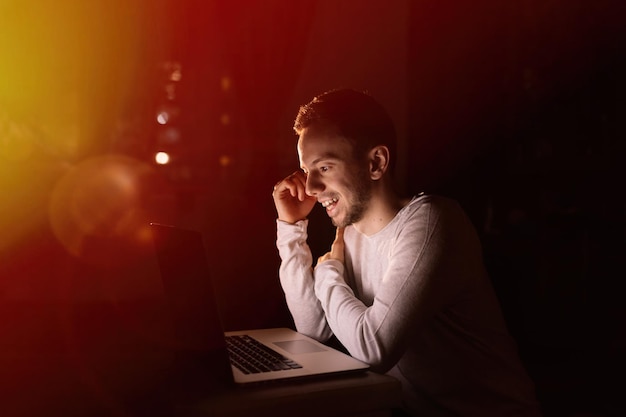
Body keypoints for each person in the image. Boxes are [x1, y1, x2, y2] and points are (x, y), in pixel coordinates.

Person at [271, 88, 542, 417]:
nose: (311, 187)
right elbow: (312, 330)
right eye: (306, 170)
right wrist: (291, 227)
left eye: (325, 168)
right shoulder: (351, 232)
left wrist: (329, 272)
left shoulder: (431, 222)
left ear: (376, 163)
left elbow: (374, 348)